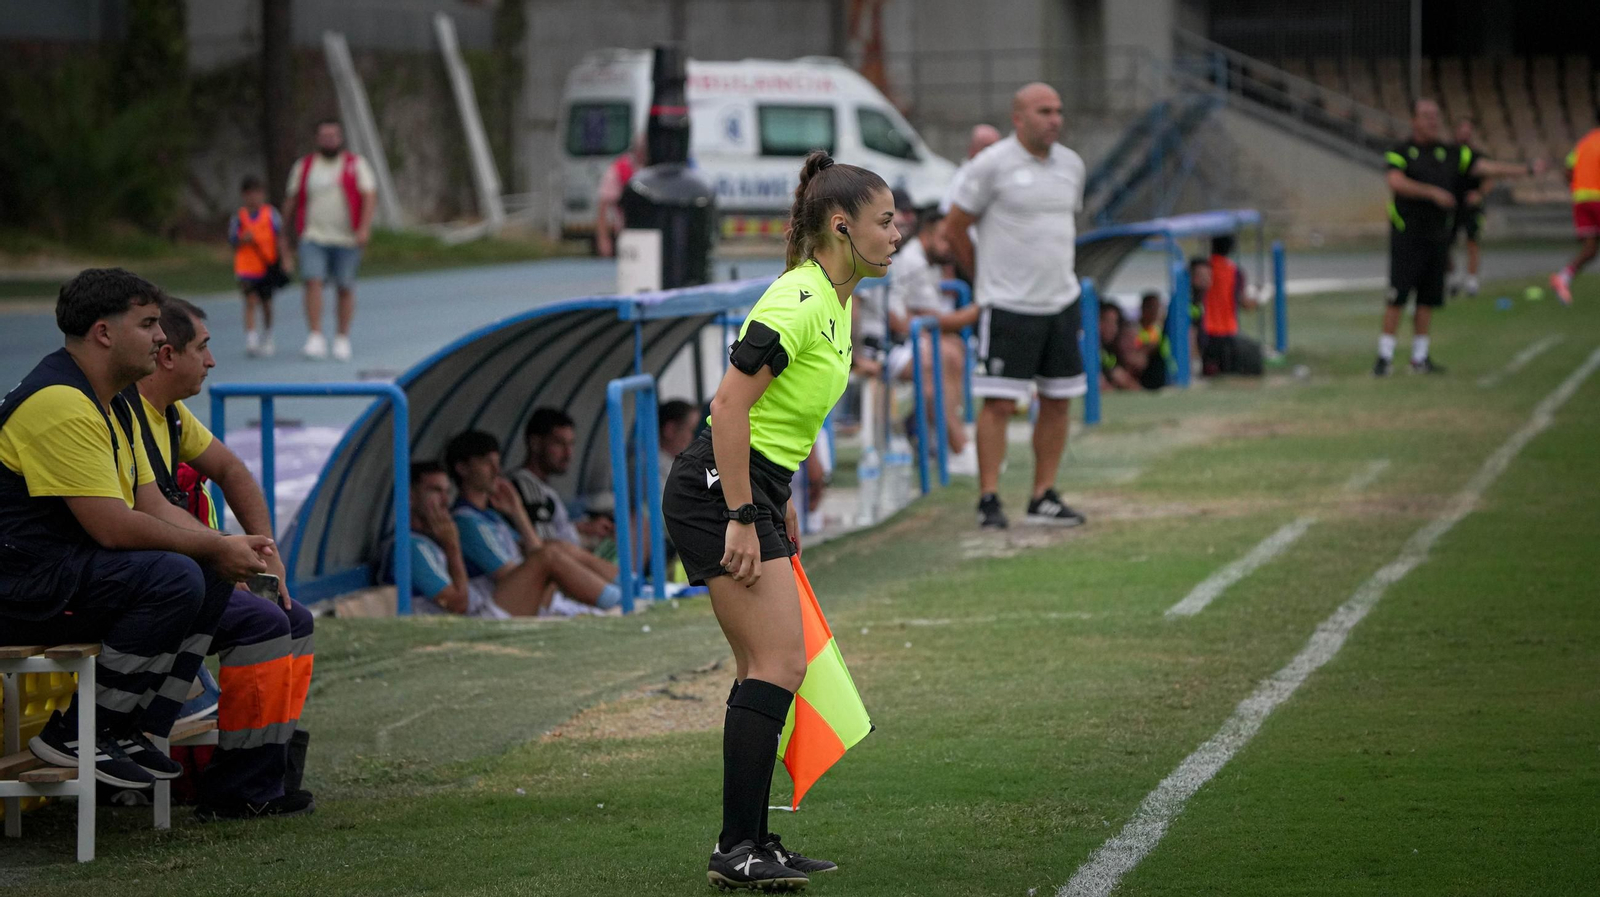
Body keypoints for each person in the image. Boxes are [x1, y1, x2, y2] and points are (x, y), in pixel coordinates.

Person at [660, 150, 896, 889]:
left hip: (752, 485)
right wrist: (741, 511)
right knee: (780, 663)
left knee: (767, 666)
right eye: (886, 221)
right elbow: (728, 406)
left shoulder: (836, 300)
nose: (897, 234)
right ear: (841, 226)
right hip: (716, 489)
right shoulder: (798, 299)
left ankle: (750, 841)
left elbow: (777, 420)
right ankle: (738, 846)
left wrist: (777, 495)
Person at [0, 269, 272, 789]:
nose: (161, 335)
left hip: (60, 576)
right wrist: (213, 546)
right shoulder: (60, 402)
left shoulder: (117, 400)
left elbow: (151, 504)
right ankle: (80, 732)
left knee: (206, 569)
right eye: (147, 324)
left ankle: (135, 728)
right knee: (173, 576)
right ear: (104, 333)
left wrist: (224, 547)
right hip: (21, 590)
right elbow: (113, 528)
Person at [128, 296, 315, 820]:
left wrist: (266, 552)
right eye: (203, 348)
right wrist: (225, 554)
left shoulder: (170, 415)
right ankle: (237, 791)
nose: (211, 361)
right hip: (149, 585)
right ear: (168, 356)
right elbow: (152, 511)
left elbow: (233, 470)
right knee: (261, 623)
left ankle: (273, 773)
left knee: (293, 616)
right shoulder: (124, 414)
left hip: (184, 571)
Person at [943, 83, 1089, 529]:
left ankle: (1043, 495)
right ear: (1019, 118)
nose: (1055, 119)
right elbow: (954, 227)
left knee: (1058, 401)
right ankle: (989, 498)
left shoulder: (1072, 165)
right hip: (1007, 304)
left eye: (1058, 110)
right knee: (1000, 404)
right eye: (1044, 111)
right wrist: (982, 279)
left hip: (1060, 301)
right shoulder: (992, 165)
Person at [1374, 99, 1544, 376]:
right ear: (1414, 120)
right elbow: (1395, 181)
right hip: (1408, 237)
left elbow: (1485, 168)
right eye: (1426, 115)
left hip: (1437, 236)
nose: (1432, 121)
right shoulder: (1401, 151)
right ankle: (1384, 357)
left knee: (1428, 299)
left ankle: (1419, 358)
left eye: (1435, 115)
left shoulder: (1451, 153)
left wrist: (1525, 169)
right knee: (1397, 296)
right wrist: (1432, 193)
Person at [446, 430, 622, 615]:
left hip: (518, 597)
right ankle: (617, 601)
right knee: (549, 554)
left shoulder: (491, 516)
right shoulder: (465, 520)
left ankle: (627, 587)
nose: (496, 471)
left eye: (497, 463)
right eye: (486, 463)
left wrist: (517, 512)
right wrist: (553, 573)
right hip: (492, 608)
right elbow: (513, 573)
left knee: (554, 546)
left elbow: (534, 550)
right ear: (462, 468)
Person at [883, 205, 972, 461]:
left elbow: (915, 313)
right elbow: (905, 319)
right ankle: (957, 446)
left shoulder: (925, 260)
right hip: (886, 344)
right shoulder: (912, 260)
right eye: (945, 239)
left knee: (953, 348)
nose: (950, 246)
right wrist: (977, 312)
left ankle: (943, 436)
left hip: (900, 337)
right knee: (940, 357)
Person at [284, 118, 376, 362]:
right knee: (312, 281)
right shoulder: (305, 166)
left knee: (345, 286)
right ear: (317, 139)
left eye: (333, 136)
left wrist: (364, 228)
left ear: (340, 138)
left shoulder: (355, 164)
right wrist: (285, 234)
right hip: (313, 235)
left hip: (347, 238)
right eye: (325, 136)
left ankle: (342, 337)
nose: (329, 140)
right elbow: (292, 200)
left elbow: (369, 195)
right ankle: (315, 336)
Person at [509, 408, 622, 571]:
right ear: (535, 443)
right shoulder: (525, 486)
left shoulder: (543, 488)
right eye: (559, 443)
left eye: (571, 444)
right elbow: (547, 548)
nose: (568, 453)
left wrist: (584, 528)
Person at [228, 175, 292, 358]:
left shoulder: (270, 214)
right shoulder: (239, 217)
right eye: (250, 194)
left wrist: (286, 259)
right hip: (247, 268)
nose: (254, 198)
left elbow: (280, 237)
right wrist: (243, 240)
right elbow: (232, 241)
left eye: (257, 193)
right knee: (250, 301)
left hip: (266, 267)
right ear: (244, 195)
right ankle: (251, 338)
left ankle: (268, 335)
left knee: (267, 303)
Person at [939, 124, 1002, 285]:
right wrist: (948, 269)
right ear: (972, 150)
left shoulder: (999, 177)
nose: (993, 153)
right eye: (987, 147)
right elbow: (946, 225)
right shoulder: (963, 180)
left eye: (997, 147)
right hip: (968, 260)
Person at [1551, 115, 1600, 305]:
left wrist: (1577, 187)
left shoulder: (1583, 143)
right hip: (1597, 198)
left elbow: (1567, 170)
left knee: (1590, 249)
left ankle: (1563, 278)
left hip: (1581, 200)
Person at [1200, 235, 1264, 377]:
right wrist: (1258, 297)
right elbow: (1244, 303)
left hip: (1206, 330)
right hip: (1227, 330)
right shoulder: (1234, 272)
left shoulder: (1203, 269)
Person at [1449, 117, 1489, 298]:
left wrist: (1479, 194)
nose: (1465, 134)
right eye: (1462, 130)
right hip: (1452, 206)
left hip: (1472, 208)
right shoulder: (1448, 155)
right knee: (1446, 243)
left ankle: (1472, 281)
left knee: (1472, 242)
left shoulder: (1478, 156)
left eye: (1468, 130)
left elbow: (1489, 179)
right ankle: (1452, 277)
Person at [595, 137, 646, 257]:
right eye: (641, 149)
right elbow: (603, 206)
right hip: (627, 232)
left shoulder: (658, 167)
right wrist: (603, 239)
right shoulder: (619, 169)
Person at [1131, 291, 1171, 391]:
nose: (1155, 311)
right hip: (1142, 371)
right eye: (1151, 307)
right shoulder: (1135, 329)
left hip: (1164, 371)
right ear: (1143, 308)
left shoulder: (1160, 329)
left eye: (1157, 308)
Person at [1098, 303, 1142, 391]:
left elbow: (1120, 376)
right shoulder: (1089, 349)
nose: (1111, 328)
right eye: (1106, 321)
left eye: (1115, 322)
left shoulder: (1110, 351)